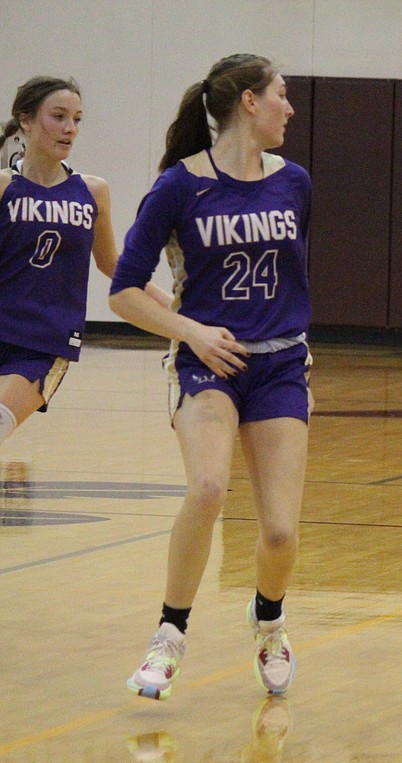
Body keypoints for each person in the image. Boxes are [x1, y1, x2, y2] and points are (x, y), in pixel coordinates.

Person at [112, 53, 312, 700]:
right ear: (249, 103)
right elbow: (124, 291)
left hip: (280, 363)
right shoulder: (180, 186)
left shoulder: (295, 183)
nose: (290, 106)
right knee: (206, 488)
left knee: (280, 532)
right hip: (208, 361)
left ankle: (270, 620)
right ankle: (169, 637)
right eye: (282, 94)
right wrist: (192, 331)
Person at [0, 76, 169, 448]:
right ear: (25, 121)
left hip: (44, 342)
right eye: (58, 116)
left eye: (77, 119)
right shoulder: (4, 187)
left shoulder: (93, 192)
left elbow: (114, 267)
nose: (70, 128)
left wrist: (177, 309)